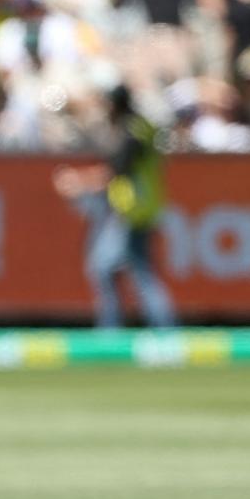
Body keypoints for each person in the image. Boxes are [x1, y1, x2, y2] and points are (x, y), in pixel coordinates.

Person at [53, 85, 178, 329]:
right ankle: (127, 327)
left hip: (134, 210)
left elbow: (116, 171)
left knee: (121, 270)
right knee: (122, 270)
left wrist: (78, 181)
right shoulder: (139, 128)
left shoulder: (131, 133)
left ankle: (149, 331)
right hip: (140, 208)